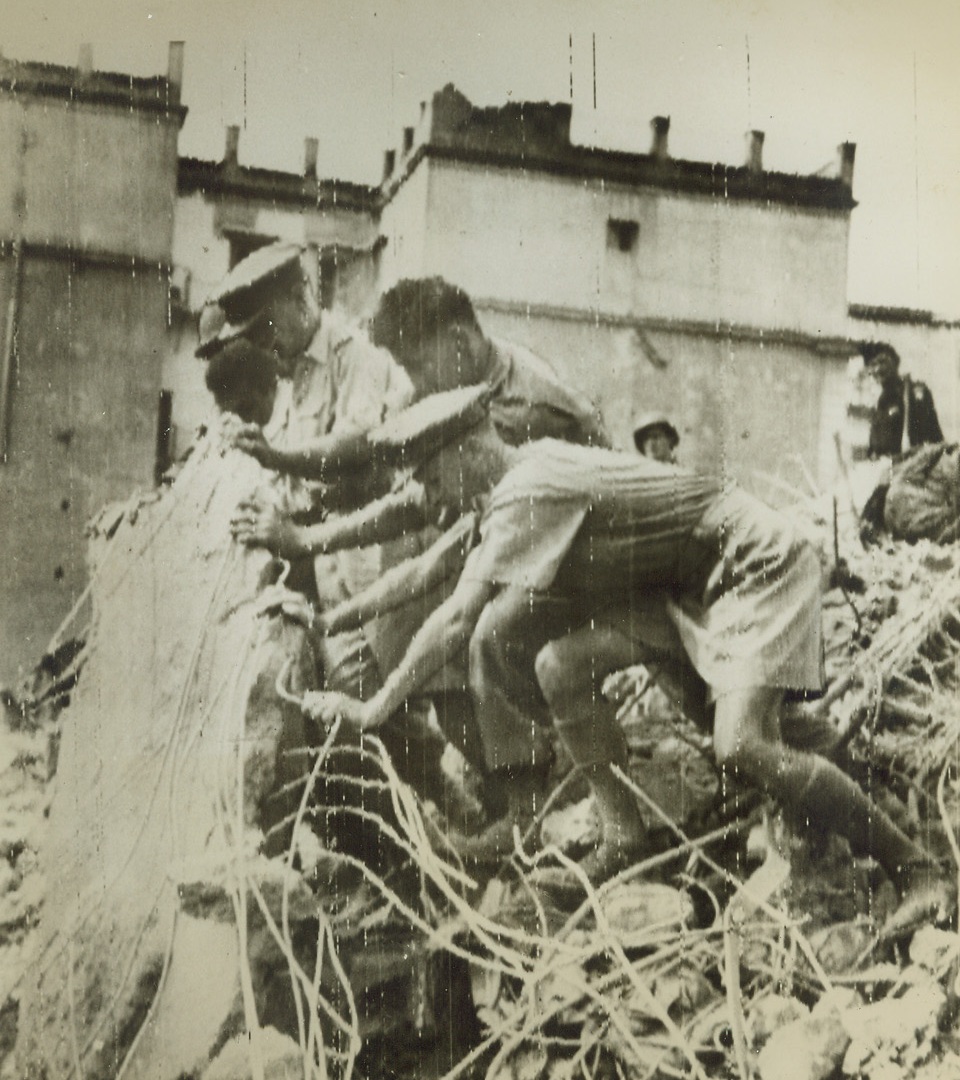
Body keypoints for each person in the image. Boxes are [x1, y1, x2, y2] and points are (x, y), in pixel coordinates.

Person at [302, 385, 953, 937]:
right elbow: (430, 568)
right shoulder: (509, 482)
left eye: (429, 473)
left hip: (748, 563)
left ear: (467, 449)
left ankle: (916, 868)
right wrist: (332, 619)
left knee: (743, 744)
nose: (425, 490)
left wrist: (371, 706)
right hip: (681, 585)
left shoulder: (530, 488)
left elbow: (456, 618)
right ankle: (624, 836)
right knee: (560, 667)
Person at [864, 343, 943, 458]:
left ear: (895, 362)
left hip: (909, 468)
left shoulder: (913, 393)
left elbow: (934, 437)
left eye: (882, 362)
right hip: (883, 469)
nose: (877, 369)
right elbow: (874, 445)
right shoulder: (881, 401)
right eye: (873, 364)